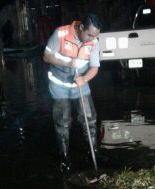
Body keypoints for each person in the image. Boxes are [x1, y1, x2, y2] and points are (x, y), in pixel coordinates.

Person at [43, 14, 101, 173]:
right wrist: (68, 62)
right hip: (60, 86)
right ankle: (65, 159)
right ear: (81, 27)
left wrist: (84, 79)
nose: (92, 39)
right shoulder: (60, 34)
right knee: (63, 123)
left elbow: (94, 67)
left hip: (81, 85)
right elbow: (46, 56)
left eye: (95, 36)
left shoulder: (94, 40)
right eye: (90, 35)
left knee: (89, 120)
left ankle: (93, 154)